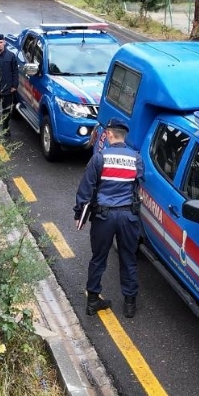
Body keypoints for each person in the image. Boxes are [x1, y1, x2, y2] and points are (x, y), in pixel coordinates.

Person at [74, 118, 144, 318]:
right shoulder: (136, 159)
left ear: (109, 134)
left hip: (104, 217)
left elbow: (86, 188)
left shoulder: (99, 158)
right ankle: (130, 304)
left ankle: (93, 300)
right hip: (128, 216)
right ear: (124, 136)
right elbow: (138, 184)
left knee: (98, 259)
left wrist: (79, 213)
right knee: (128, 258)